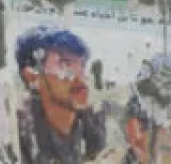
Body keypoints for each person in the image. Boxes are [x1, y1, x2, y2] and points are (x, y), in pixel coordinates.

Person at [14, 25, 108, 164]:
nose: (80, 76)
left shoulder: (91, 124)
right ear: (32, 77)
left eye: (82, 65)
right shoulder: (17, 134)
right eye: (65, 64)